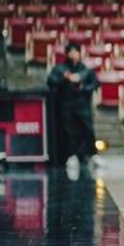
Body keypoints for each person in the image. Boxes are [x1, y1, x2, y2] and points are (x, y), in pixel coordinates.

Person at [46, 43, 104, 180]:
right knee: (68, 132)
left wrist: (83, 86)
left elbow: (95, 83)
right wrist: (65, 78)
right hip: (66, 106)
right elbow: (51, 82)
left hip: (83, 106)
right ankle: (71, 157)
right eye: (70, 52)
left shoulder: (86, 70)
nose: (73, 55)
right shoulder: (60, 69)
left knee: (88, 130)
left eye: (75, 52)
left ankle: (93, 155)